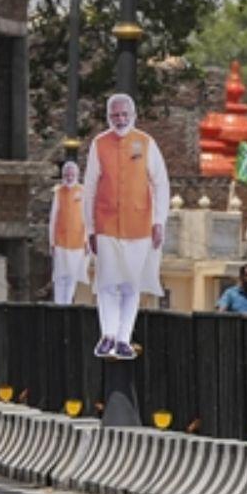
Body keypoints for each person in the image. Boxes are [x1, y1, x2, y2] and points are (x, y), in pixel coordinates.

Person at [84, 93, 170, 359]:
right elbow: (90, 189)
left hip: (139, 224)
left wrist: (159, 221)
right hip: (107, 223)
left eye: (124, 115)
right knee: (107, 282)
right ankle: (107, 334)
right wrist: (89, 228)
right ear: (108, 117)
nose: (120, 120)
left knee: (131, 285)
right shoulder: (99, 144)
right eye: (115, 115)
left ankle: (123, 338)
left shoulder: (146, 143)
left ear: (133, 116)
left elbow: (161, 184)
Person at [49, 161, 90, 305]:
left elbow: (87, 218)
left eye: (72, 174)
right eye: (66, 174)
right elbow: (53, 218)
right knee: (60, 276)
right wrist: (52, 242)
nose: (69, 177)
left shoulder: (83, 192)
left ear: (77, 175)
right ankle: (58, 304)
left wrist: (87, 241)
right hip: (60, 241)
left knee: (72, 276)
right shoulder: (58, 192)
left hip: (77, 242)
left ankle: (67, 304)